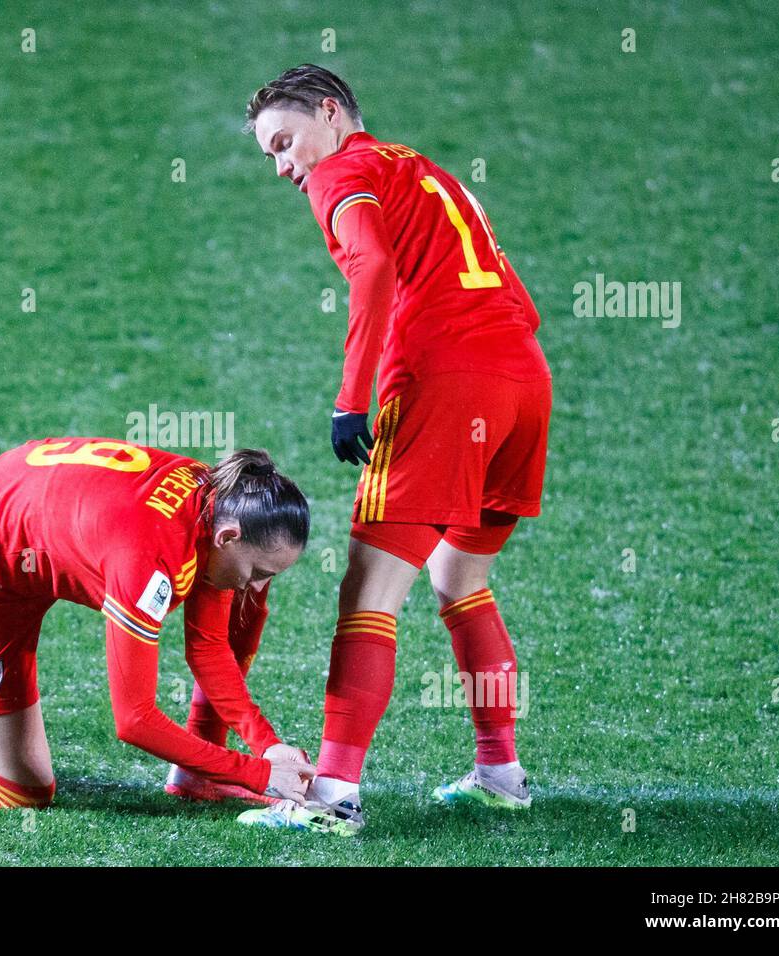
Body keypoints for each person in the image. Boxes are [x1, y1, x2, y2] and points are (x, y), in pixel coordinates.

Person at [239, 65, 552, 834]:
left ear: (330, 112)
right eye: (270, 156)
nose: (284, 167)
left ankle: (332, 794)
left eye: (285, 142)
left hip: (449, 383)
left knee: (369, 594)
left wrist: (353, 397)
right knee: (459, 578)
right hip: (523, 378)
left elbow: (373, 267)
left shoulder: (340, 173)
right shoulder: (417, 167)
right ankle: (500, 773)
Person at [0, 437, 316, 810]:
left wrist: (267, 747)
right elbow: (135, 719)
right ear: (228, 537)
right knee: (21, 792)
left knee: (236, 614)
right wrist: (254, 773)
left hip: (25, 536)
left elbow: (209, 647)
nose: (255, 587)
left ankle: (197, 774)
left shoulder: (221, 504)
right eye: (258, 572)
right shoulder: (150, 558)